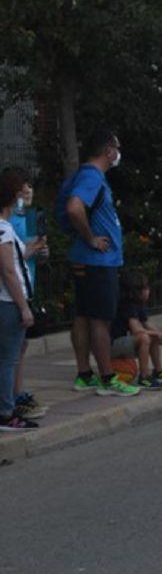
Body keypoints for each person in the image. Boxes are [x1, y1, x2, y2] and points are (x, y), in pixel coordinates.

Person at [62, 129, 140, 397]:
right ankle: (108, 377)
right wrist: (92, 238)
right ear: (108, 151)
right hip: (98, 260)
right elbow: (74, 207)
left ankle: (85, 375)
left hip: (86, 260)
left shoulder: (83, 175)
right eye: (116, 148)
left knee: (83, 316)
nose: (118, 153)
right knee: (100, 320)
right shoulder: (92, 177)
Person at [8, 168, 48, 420]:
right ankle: (10, 398)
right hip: (9, 293)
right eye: (22, 187)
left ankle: (17, 392)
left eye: (30, 186)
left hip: (26, 287)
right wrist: (29, 253)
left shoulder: (29, 217)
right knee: (10, 350)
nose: (28, 191)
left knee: (20, 347)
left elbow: (32, 255)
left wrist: (41, 254)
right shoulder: (7, 221)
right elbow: (8, 261)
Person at [0, 168, 39, 430]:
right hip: (8, 303)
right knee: (8, 360)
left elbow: (14, 263)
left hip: (8, 301)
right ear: (14, 196)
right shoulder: (3, 230)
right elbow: (8, 271)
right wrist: (24, 307)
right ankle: (6, 412)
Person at [110, 271, 162, 389]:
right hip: (113, 345)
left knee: (152, 336)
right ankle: (144, 377)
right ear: (136, 292)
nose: (149, 291)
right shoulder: (127, 305)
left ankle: (158, 371)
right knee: (144, 337)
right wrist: (157, 334)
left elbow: (146, 323)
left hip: (123, 342)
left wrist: (160, 334)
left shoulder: (138, 304)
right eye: (146, 288)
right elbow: (137, 330)